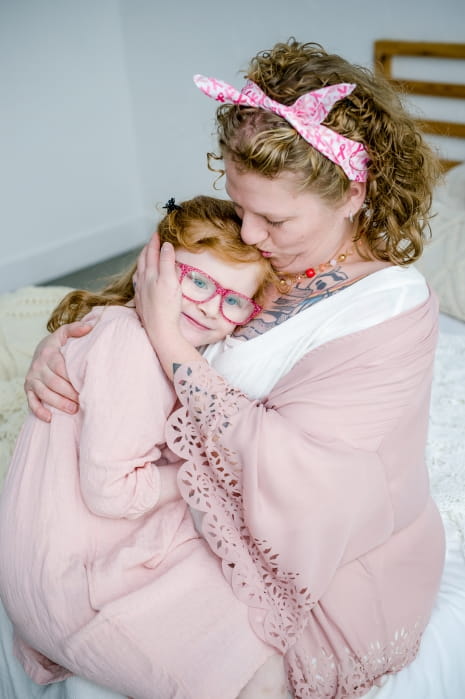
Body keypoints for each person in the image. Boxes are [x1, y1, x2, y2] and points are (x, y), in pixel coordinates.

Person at [3, 38, 446, 698]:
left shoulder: (391, 304)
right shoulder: (267, 257)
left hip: (299, 545)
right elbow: (140, 301)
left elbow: (313, 477)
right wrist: (65, 344)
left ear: (353, 194)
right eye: (239, 208)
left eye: (272, 218)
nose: (249, 234)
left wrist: (171, 346)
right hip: (172, 503)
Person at [0, 195, 281, 699]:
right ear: (151, 267)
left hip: (44, 573)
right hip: (72, 587)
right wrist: (204, 468)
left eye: (233, 300)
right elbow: (112, 493)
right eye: (195, 280)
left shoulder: (138, 334)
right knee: (264, 639)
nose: (208, 306)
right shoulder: (129, 344)